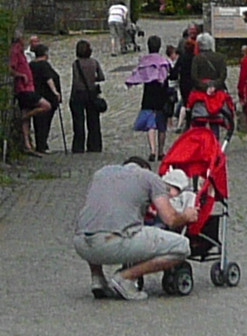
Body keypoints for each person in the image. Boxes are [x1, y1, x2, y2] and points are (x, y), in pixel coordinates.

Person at [73, 154, 196, 299]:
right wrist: (187, 215)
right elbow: (170, 219)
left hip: (82, 245)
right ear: (145, 169)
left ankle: (98, 279)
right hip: (112, 243)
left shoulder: (101, 174)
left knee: (95, 223)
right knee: (182, 246)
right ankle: (125, 278)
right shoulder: (148, 177)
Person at [67, 39, 107, 153]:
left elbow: (75, 81)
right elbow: (101, 77)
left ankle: (78, 146)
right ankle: (94, 145)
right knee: (94, 121)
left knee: (79, 121)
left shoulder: (76, 64)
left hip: (79, 93)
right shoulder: (94, 62)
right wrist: (92, 79)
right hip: (92, 93)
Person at [27, 43, 64, 154]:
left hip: (35, 95)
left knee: (38, 121)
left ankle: (41, 143)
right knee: (45, 122)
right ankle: (42, 144)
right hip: (46, 97)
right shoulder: (44, 65)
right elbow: (49, 79)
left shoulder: (31, 65)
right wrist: (56, 92)